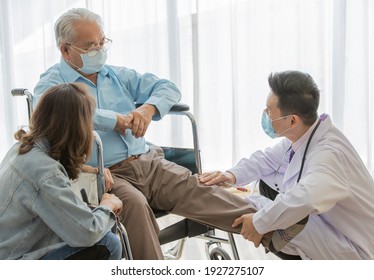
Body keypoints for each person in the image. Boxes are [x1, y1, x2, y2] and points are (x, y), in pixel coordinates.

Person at [33, 8, 303, 260]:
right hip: (102, 176)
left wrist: (148, 109)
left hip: (146, 161)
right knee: (135, 207)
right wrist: (112, 120)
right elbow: (55, 113)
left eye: (102, 42)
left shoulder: (116, 75)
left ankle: (278, 224)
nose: (99, 50)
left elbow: (167, 87)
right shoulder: (52, 83)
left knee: (196, 189)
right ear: (66, 49)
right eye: (91, 46)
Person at [199, 70, 374, 259]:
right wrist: (230, 175)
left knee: (264, 215)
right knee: (264, 192)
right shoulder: (306, 135)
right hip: (333, 225)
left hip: (357, 248)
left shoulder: (328, 154)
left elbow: (305, 198)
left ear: (292, 120)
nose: (265, 115)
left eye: (269, 110)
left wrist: (258, 223)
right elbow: (265, 159)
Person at [0, 83, 123, 260]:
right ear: (78, 128)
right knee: (108, 243)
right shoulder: (46, 174)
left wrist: (84, 169)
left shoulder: (22, 148)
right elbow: (88, 232)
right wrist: (108, 205)